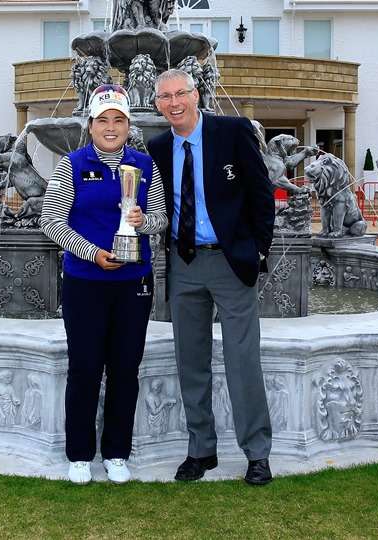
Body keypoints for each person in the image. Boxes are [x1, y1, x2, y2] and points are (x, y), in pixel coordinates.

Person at [146, 69, 275, 485]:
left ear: (196, 94)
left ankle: (257, 453)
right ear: (158, 103)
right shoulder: (159, 146)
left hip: (230, 262)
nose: (173, 102)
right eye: (164, 97)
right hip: (183, 264)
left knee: (243, 360)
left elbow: (261, 193)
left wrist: (258, 248)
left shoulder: (233, 132)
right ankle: (201, 450)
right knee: (191, 361)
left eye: (180, 93)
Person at [40, 84, 167, 484]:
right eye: (102, 120)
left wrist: (141, 222)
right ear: (90, 124)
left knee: (126, 368)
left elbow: (161, 220)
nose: (110, 127)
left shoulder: (145, 166)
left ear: (129, 124)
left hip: (134, 280)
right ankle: (79, 454)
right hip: (85, 281)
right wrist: (91, 252)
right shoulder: (71, 165)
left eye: (118, 120)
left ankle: (116, 452)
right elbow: (51, 223)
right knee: (85, 367)